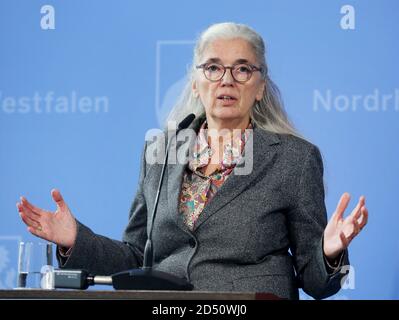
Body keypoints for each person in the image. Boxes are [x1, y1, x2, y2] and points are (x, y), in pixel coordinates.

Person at [16, 22, 368, 299]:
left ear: (260, 87)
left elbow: (317, 282)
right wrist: (75, 239)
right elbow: (138, 257)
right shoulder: (160, 153)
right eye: (213, 68)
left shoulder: (295, 159)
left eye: (243, 69)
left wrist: (328, 251)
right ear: (197, 82)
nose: (226, 80)